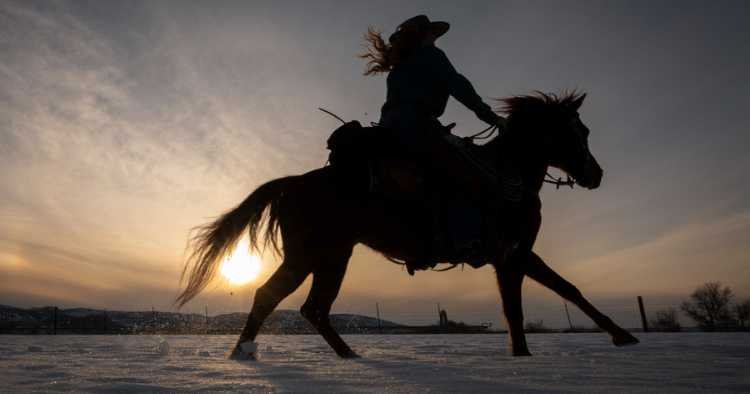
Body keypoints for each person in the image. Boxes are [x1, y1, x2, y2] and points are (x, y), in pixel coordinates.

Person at [360, 15, 516, 274]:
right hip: (417, 126)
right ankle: (468, 241)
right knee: (465, 172)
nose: (435, 37)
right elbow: (459, 86)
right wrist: (492, 118)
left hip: (388, 128)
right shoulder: (431, 55)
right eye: (432, 33)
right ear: (424, 35)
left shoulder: (400, 64)